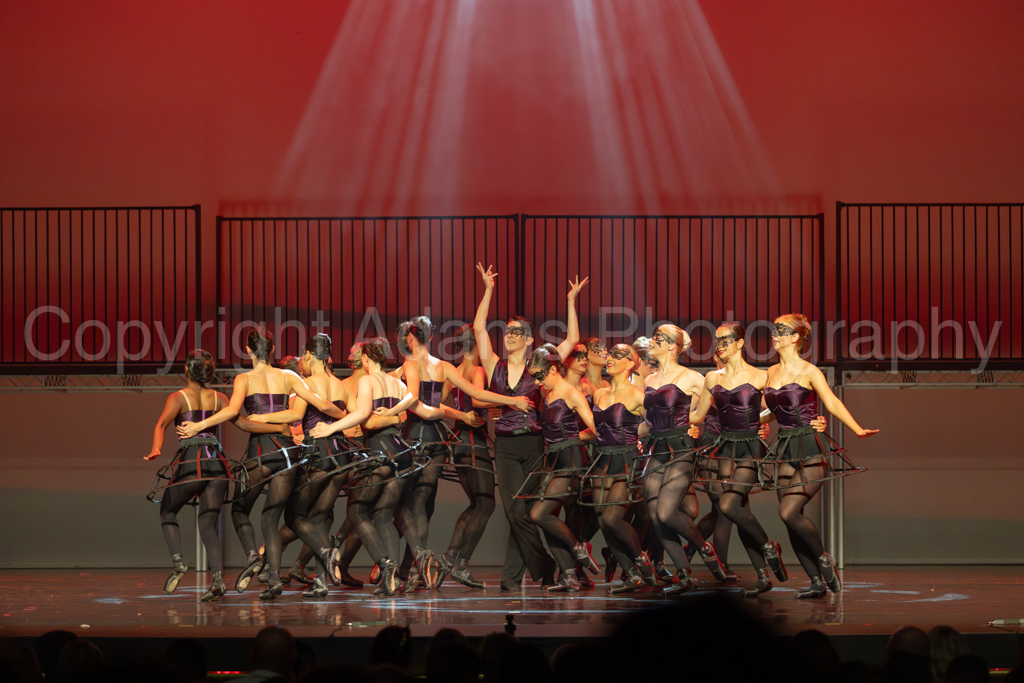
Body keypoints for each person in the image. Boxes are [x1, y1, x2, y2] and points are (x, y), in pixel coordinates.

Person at [176, 327, 346, 599]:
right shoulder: (289, 376)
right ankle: (292, 569)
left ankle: (255, 559)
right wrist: (343, 416)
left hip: (261, 453)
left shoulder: (244, 379)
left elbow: (233, 412)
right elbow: (313, 406)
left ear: (247, 350)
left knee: (240, 509)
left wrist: (199, 425)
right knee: (271, 517)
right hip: (287, 454)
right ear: (273, 349)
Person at [473, 264, 587, 590]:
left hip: (535, 444)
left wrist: (571, 301)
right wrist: (488, 290)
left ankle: (511, 577)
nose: (508, 335)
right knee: (514, 510)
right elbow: (479, 327)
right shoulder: (494, 365)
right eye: (506, 331)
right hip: (506, 444)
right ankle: (545, 565)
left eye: (515, 332)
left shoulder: (539, 364)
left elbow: (573, 339)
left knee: (523, 510)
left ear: (528, 339)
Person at [147, 348, 290, 601]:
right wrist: (279, 427)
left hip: (193, 464)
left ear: (187, 369)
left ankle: (179, 563)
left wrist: (156, 448)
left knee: (167, 511)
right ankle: (218, 580)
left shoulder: (178, 397)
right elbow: (244, 424)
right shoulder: (220, 398)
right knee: (208, 523)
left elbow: (161, 424)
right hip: (218, 467)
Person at [762, 313, 877, 598]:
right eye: (774, 329)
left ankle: (824, 559)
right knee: (791, 520)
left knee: (788, 512)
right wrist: (751, 422)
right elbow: (773, 412)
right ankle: (816, 582)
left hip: (809, 446)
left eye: (780, 330)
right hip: (785, 448)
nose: (774, 335)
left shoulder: (809, 371)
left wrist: (857, 429)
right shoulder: (770, 372)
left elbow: (831, 401)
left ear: (795, 337)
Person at [687, 322, 789, 597]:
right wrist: (667, 422)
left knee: (729, 505)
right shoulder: (712, 378)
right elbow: (697, 415)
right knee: (740, 510)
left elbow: (778, 409)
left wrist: (759, 422)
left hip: (749, 449)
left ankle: (768, 547)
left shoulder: (761, 376)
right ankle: (763, 574)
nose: (719, 345)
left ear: (740, 343)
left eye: (725, 340)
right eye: (717, 340)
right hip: (724, 449)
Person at [640, 324, 726, 593]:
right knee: (656, 516)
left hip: (681, 448)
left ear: (673, 346)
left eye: (659, 338)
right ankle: (685, 574)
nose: (653, 341)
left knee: (666, 512)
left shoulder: (691, 378)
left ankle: (703, 548)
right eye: (653, 337)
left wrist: (755, 424)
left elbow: (722, 407)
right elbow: (647, 420)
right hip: (656, 448)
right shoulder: (649, 380)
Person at [525, 344, 600, 591]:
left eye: (539, 375)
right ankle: (569, 575)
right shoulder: (547, 394)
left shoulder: (572, 394)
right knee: (549, 520)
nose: (537, 382)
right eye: (534, 377)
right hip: (554, 461)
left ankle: (579, 550)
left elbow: (596, 430)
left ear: (553, 369)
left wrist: (574, 437)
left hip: (572, 461)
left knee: (539, 514)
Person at [587, 344, 651, 593]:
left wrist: (637, 435)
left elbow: (654, 425)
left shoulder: (637, 395)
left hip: (627, 460)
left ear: (631, 364)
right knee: (603, 521)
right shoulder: (598, 394)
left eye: (618, 355)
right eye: (610, 354)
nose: (610, 358)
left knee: (612, 518)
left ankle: (640, 558)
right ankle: (632, 574)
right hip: (601, 460)